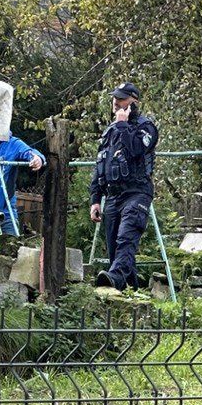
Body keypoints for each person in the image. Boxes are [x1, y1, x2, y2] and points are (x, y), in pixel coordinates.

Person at [88, 82, 159, 290]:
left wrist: (122, 125)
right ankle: (131, 296)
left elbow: (137, 149)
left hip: (137, 193)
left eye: (121, 99)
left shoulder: (146, 128)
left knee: (125, 239)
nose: (116, 102)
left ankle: (116, 281)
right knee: (115, 252)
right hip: (112, 196)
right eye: (115, 98)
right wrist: (95, 199)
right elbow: (101, 164)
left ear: (133, 102)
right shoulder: (110, 131)